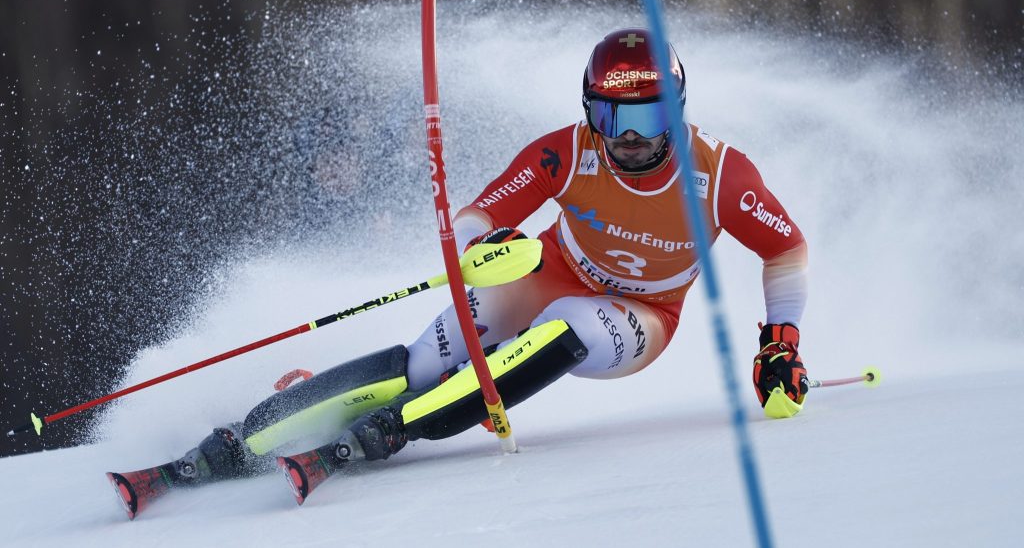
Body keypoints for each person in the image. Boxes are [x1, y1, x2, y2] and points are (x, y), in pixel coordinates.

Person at [107, 28, 809, 516]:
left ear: (678, 108)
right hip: (551, 266)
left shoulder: (720, 176)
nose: (628, 137)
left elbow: (786, 248)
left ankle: (397, 429)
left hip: (642, 315)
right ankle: (247, 435)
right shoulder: (566, 151)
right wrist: (488, 244)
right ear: (588, 109)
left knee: (567, 328)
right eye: (610, 115)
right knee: (421, 360)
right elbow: (475, 217)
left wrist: (781, 341)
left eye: (648, 117)